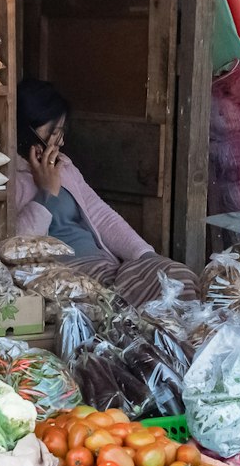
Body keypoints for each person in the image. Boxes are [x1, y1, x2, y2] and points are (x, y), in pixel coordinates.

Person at [12, 78, 197, 306]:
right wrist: (45, 194)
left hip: (105, 267)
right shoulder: (9, 179)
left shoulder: (65, 168)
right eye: (54, 133)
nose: (61, 142)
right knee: (122, 303)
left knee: (178, 277)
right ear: (27, 132)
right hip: (66, 276)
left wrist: (145, 255)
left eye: (61, 133)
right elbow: (17, 248)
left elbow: (102, 216)